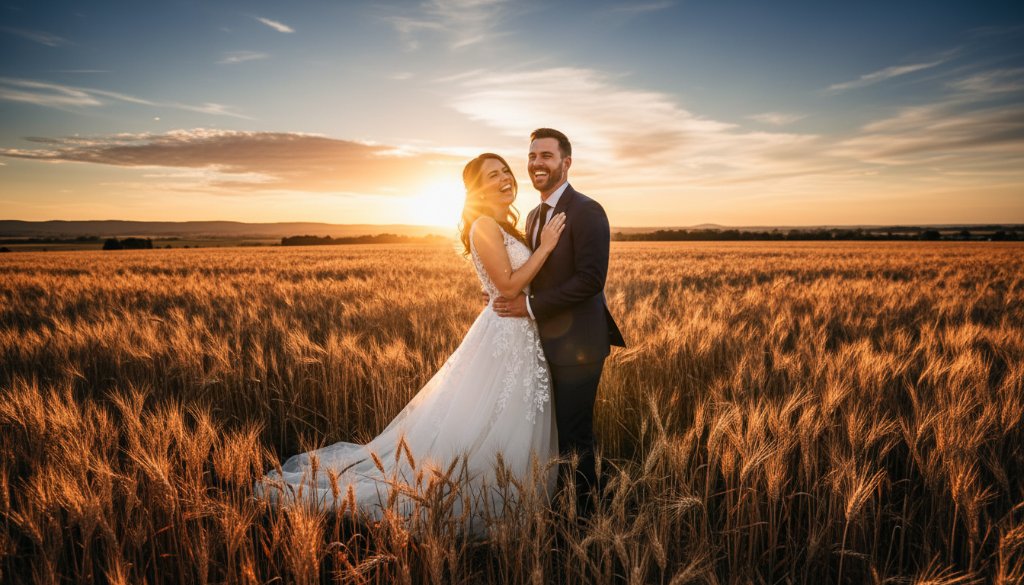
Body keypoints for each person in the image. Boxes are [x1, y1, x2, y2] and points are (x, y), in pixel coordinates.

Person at [255, 153, 567, 533]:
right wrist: (546, 247)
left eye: (505, 171)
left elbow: (505, 281)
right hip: (505, 337)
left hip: (518, 334)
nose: (504, 178)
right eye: (492, 175)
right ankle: (487, 501)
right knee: (492, 421)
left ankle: (514, 499)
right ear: (477, 191)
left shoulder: (503, 226)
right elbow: (508, 285)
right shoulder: (485, 224)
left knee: (510, 420)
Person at [493, 128, 625, 516]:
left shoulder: (587, 210)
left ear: (566, 163)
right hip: (542, 344)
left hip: (579, 347)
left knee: (575, 435)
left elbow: (590, 280)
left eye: (547, 156)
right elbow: (535, 273)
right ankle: (566, 502)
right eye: (532, 156)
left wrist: (529, 307)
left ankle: (585, 517)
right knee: (553, 436)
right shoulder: (534, 215)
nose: (537, 163)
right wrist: (508, 295)